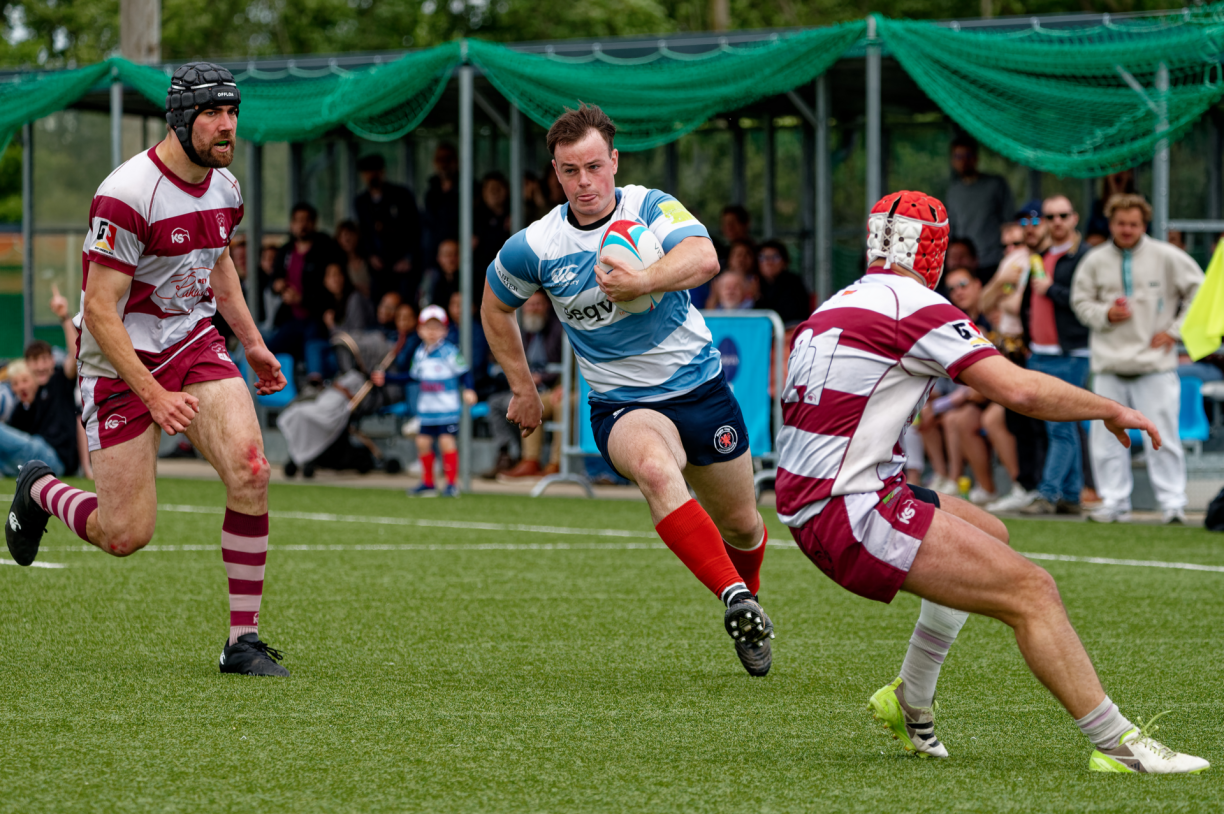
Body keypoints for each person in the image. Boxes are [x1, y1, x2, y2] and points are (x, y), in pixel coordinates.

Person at [776, 188, 1206, 774]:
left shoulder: (834, 305)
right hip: (849, 508)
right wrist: (1108, 408)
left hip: (820, 498)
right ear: (933, 251)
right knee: (1033, 591)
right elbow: (1021, 390)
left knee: (990, 532)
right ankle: (1119, 746)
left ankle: (910, 698)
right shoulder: (915, 306)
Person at [5, 63, 290, 677]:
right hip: (118, 362)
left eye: (232, 113)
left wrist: (252, 342)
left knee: (252, 470)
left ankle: (242, 641)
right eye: (212, 114)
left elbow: (217, 262)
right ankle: (39, 489)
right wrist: (155, 394)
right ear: (180, 120)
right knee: (124, 534)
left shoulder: (226, 187)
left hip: (192, 340)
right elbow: (98, 311)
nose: (227, 126)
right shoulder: (129, 193)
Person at [482, 103, 775, 677]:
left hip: (700, 389)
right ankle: (734, 597)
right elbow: (495, 307)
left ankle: (750, 600)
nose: (584, 182)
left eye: (594, 166)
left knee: (743, 523)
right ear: (556, 172)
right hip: (622, 404)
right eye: (570, 170)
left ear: (614, 161)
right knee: (656, 473)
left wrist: (641, 280)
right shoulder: (537, 245)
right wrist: (523, 388)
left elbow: (704, 257)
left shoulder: (649, 206)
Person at [1071, 193, 1203, 525]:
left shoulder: (1167, 256)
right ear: (1110, 223)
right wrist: (1105, 314)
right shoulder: (1094, 260)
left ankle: (1172, 504)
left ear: (1144, 225)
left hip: (1155, 364)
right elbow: (1080, 301)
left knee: (1164, 436)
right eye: (1120, 223)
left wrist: (1175, 332)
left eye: (1133, 224)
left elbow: (1200, 292)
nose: (1127, 230)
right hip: (1109, 365)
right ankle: (1114, 502)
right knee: (1106, 439)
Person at [1012, 195, 1092, 516]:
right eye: (1050, 216)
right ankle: (1070, 495)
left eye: (1062, 215)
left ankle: (1048, 494)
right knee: (1059, 428)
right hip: (1040, 353)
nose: (1056, 221)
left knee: (1061, 428)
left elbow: (1089, 303)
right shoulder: (1040, 256)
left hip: (1071, 353)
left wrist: (1052, 290)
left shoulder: (1086, 257)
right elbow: (1027, 303)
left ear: (1074, 218)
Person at [375, 305, 475, 498]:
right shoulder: (420, 353)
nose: (432, 332)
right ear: (420, 330)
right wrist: (387, 379)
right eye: (428, 327)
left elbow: (464, 372)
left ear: (445, 330)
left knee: (446, 442)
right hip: (427, 410)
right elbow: (412, 377)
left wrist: (469, 389)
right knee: (422, 442)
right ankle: (428, 483)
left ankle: (451, 484)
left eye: (437, 327)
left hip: (447, 409)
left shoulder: (450, 352)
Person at [485, 291, 564, 479]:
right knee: (496, 403)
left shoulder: (560, 328)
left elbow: (568, 364)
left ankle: (554, 463)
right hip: (528, 387)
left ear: (547, 306)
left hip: (555, 387)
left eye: (538, 304)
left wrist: (543, 378)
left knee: (540, 403)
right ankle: (512, 455)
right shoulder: (521, 329)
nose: (534, 309)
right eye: (530, 305)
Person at [267, 202, 344, 384]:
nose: (302, 225)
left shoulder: (325, 248)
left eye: (307, 220)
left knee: (312, 346)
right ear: (291, 224)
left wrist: (302, 298)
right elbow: (274, 278)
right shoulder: (286, 250)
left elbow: (331, 288)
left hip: (317, 317)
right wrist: (277, 285)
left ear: (314, 223)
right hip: (291, 317)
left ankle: (314, 385)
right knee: (268, 348)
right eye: (298, 220)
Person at [945, 136, 1014, 282]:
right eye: (958, 156)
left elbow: (1009, 223)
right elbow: (951, 229)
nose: (964, 160)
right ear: (952, 161)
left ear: (976, 158)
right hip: (964, 266)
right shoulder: (953, 192)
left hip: (993, 261)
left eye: (968, 155)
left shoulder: (995, 184)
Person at [354, 153, 421, 301]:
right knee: (379, 302)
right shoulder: (361, 202)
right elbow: (364, 232)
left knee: (404, 300)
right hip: (379, 267)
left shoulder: (401, 195)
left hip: (403, 263)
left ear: (382, 171)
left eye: (374, 170)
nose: (370, 175)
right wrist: (370, 255)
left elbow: (415, 228)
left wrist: (409, 257)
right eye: (366, 172)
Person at [755, 240, 810, 327]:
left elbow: (793, 315)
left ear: (785, 261)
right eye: (762, 257)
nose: (769, 262)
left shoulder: (794, 283)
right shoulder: (754, 283)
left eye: (775, 257)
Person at [422, 142, 459, 265]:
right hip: (433, 258)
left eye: (448, 159)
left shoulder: (470, 190)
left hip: (459, 256)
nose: (444, 164)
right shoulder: (431, 192)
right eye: (440, 159)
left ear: (456, 161)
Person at [417, 238, 460, 312]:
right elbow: (423, 305)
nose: (451, 260)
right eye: (447, 255)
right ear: (438, 258)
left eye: (455, 254)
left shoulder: (472, 278)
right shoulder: (431, 277)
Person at [334, 220, 372, 298]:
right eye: (343, 236)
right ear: (338, 240)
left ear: (357, 236)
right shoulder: (339, 264)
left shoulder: (369, 259)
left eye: (350, 234)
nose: (347, 239)